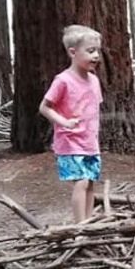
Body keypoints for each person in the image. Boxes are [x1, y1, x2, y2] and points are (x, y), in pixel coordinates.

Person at [39, 24, 103, 223]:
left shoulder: (94, 80)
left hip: (90, 142)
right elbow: (44, 107)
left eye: (98, 51)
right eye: (91, 51)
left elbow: (93, 109)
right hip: (70, 142)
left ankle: (89, 222)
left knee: (91, 182)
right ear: (73, 52)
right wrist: (64, 122)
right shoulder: (63, 80)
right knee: (81, 182)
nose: (96, 56)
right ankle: (79, 226)